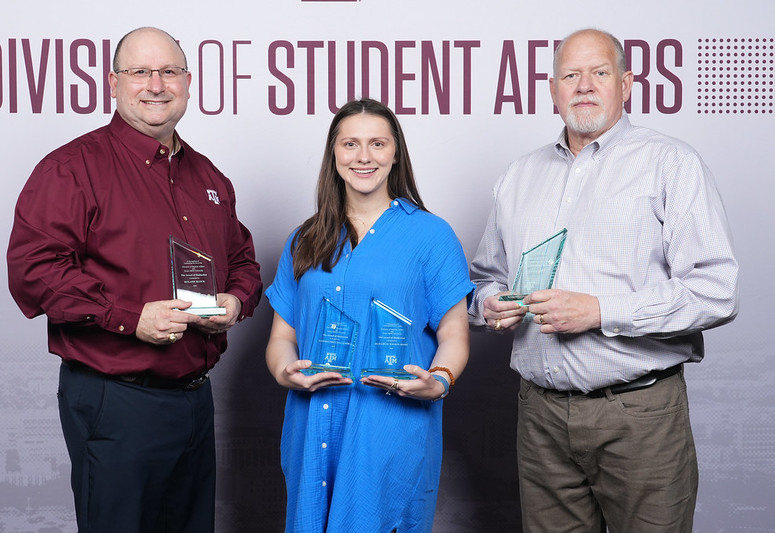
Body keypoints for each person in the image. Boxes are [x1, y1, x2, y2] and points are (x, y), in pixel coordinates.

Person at [468, 29, 739, 533]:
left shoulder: (671, 164)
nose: (584, 86)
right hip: (540, 418)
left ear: (627, 83)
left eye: (600, 72)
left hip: (639, 414)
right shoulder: (519, 175)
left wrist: (600, 311)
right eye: (570, 75)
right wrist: (489, 304)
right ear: (552, 89)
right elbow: (486, 277)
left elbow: (716, 292)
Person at [6, 27, 262, 533]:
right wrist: (129, 318)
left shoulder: (210, 178)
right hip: (115, 398)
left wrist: (234, 301)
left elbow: (244, 262)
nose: (156, 84)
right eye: (140, 71)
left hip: (195, 398)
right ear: (113, 83)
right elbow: (33, 271)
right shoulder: (71, 170)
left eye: (169, 71)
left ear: (188, 83)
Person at [265, 98, 473, 532]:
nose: (364, 157)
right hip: (312, 424)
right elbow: (282, 336)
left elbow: (454, 333)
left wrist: (440, 380)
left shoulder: (431, 236)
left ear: (395, 152)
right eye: (350, 144)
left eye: (377, 143)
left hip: (391, 423)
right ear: (334, 154)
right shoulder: (303, 239)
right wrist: (286, 372)